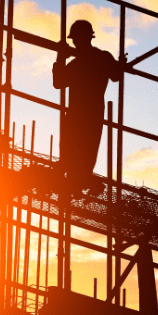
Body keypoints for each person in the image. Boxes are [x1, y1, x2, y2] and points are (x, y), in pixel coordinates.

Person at [53, 20, 122, 196]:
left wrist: (60, 56)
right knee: (82, 153)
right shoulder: (102, 57)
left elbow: (58, 82)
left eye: (76, 39)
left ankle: (77, 183)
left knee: (75, 153)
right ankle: (78, 182)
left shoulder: (80, 63)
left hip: (79, 114)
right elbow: (116, 76)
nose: (75, 43)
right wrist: (119, 64)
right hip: (91, 114)